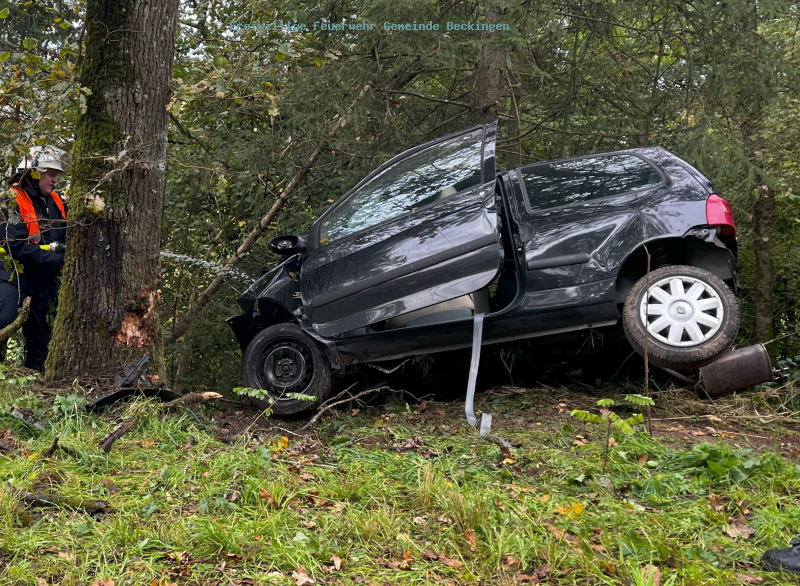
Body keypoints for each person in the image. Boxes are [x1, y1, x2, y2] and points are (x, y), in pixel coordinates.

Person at [3, 146, 67, 371]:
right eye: (51, 174)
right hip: (14, 277)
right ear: (34, 173)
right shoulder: (11, 200)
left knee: (41, 340)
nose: (55, 180)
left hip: (45, 281)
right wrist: (59, 260)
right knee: (4, 321)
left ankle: (34, 380)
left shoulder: (56, 201)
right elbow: (16, 246)